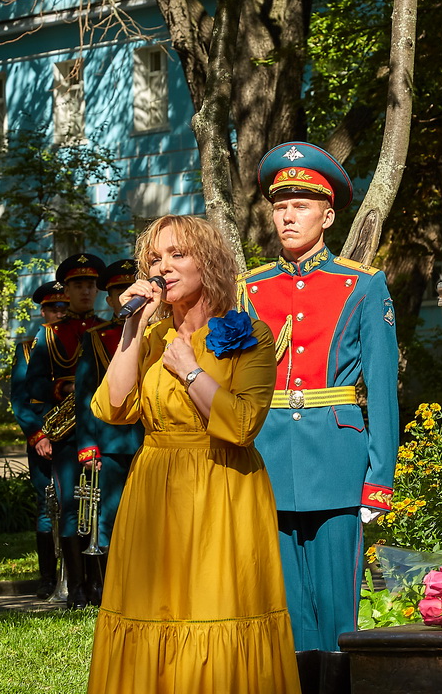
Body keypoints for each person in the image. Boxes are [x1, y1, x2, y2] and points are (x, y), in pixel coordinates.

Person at [87, 215, 301, 694]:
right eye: (155, 259)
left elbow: (243, 425)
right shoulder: (152, 336)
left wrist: (189, 371)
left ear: (210, 263)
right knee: (151, 609)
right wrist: (133, 330)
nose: (163, 267)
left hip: (222, 488)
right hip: (155, 487)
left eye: (177, 255)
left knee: (215, 608)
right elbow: (113, 407)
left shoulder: (250, 334)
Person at [238, 141, 400, 669]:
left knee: (337, 616)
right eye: (280, 205)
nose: (288, 216)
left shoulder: (362, 285)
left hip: (336, 460)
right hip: (267, 461)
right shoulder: (249, 290)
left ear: (328, 215)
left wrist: (379, 477)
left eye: (301, 205)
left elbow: (381, 388)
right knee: (282, 612)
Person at [25, 253, 107, 609]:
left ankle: (101, 584)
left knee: (101, 508)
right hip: (67, 434)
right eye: (78, 285)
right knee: (72, 507)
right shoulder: (48, 336)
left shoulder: (107, 329)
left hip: (104, 430)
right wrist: (63, 391)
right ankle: (76, 587)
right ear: (67, 290)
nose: (85, 291)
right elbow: (35, 386)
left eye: (90, 284)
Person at [74, 259, 144, 604]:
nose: (125, 295)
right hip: (113, 442)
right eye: (117, 291)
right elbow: (85, 396)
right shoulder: (97, 338)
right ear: (110, 298)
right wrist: (88, 445)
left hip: (156, 438)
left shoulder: (159, 329)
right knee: (111, 515)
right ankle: (109, 589)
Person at [10, 280, 71, 599]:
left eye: (65, 307)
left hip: (76, 435)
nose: (60, 313)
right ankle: (48, 578)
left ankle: (79, 576)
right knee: (47, 507)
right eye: (54, 308)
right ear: (43, 312)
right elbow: (19, 400)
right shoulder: (27, 350)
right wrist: (38, 437)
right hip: (44, 440)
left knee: (79, 503)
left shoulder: (82, 344)